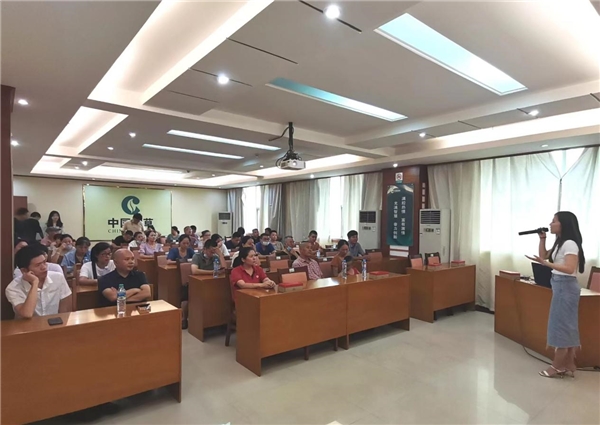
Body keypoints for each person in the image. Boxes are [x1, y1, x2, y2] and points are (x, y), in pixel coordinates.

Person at [526, 211, 586, 378]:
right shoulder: (561, 242)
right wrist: (542, 239)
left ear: (563, 224)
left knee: (561, 327)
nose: (550, 224)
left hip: (566, 287)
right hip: (560, 285)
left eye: (554, 221)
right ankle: (568, 363)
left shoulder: (570, 244)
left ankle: (556, 366)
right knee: (565, 326)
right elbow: (544, 255)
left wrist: (547, 264)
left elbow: (569, 268)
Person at [6, 245, 72, 318]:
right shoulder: (13, 288)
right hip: (27, 325)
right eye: (38, 265)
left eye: (44, 262)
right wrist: (35, 283)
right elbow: (27, 313)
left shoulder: (58, 278)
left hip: (54, 323)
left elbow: (66, 310)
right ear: (24, 270)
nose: (44, 267)